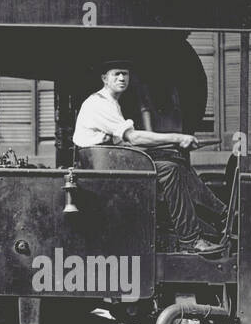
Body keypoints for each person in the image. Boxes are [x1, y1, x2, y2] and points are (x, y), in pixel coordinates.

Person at [72, 60, 226, 255]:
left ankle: (221, 214)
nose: (122, 78)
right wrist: (177, 137)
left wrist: (172, 146)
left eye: (125, 74)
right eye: (116, 74)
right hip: (103, 171)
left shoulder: (111, 102)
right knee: (169, 170)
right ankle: (191, 239)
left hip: (111, 163)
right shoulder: (99, 104)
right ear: (104, 78)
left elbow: (126, 143)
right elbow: (133, 138)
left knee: (175, 158)